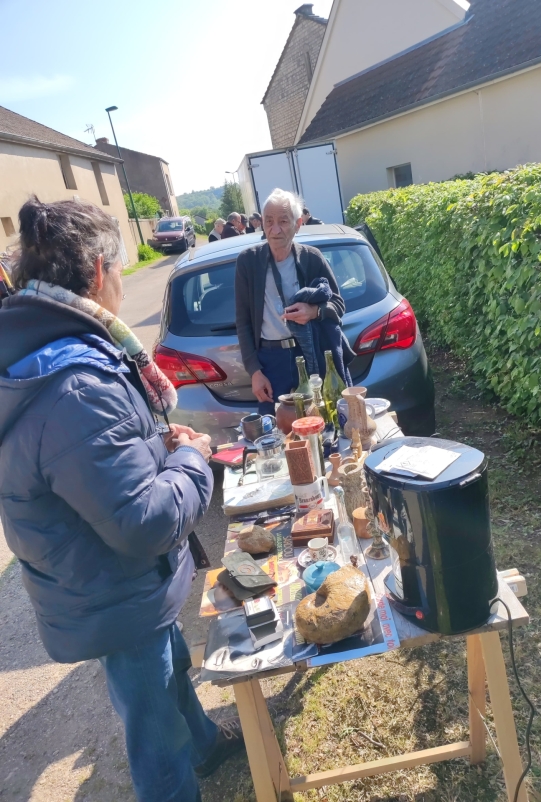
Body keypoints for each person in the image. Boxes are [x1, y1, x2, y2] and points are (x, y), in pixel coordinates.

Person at [0, 197, 244, 802]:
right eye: (116, 266)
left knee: (171, 671)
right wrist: (192, 460)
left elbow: (93, 462)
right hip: (112, 586)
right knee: (152, 729)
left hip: (109, 580)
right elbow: (142, 521)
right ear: (97, 272)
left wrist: (158, 445)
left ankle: (205, 746)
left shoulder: (57, 351)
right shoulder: (75, 382)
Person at [235, 188, 345, 414]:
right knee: (277, 429)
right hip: (270, 361)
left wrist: (314, 311)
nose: (275, 230)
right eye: (269, 221)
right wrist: (255, 372)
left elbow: (338, 305)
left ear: (297, 225)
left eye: (283, 221)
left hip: (310, 354)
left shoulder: (311, 257)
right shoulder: (248, 262)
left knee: (322, 421)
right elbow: (243, 322)